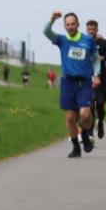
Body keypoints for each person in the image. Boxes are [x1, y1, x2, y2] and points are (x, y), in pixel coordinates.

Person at [43, 11, 99, 158]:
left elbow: (96, 59)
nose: (71, 27)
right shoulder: (61, 40)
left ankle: (85, 135)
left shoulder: (88, 40)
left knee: (85, 114)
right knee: (70, 117)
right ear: (65, 26)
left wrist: (97, 75)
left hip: (85, 82)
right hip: (68, 82)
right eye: (67, 24)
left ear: (78, 24)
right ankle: (76, 147)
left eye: (73, 24)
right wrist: (52, 19)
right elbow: (46, 32)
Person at [85, 20, 106, 139]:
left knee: (100, 104)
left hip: (101, 78)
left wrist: (104, 57)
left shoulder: (104, 43)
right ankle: (90, 131)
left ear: (97, 30)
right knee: (90, 105)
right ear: (86, 30)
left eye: (93, 29)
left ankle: (101, 122)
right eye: (89, 29)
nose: (91, 31)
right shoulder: (83, 41)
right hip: (87, 77)